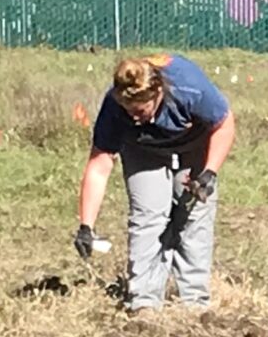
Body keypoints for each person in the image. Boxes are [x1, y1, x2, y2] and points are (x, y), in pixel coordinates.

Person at [76, 53, 235, 313]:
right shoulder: (115, 107)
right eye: (129, 111)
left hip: (194, 144)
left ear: (158, 92)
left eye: (140, 110)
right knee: (148, 216)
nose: (134, 117)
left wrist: (209, 173)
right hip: (143, 148)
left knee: (193, 216)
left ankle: (194, 303)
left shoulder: (189, 88)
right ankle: (144, 303)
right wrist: (86, 226)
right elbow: (99, 165)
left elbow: (224, 124)